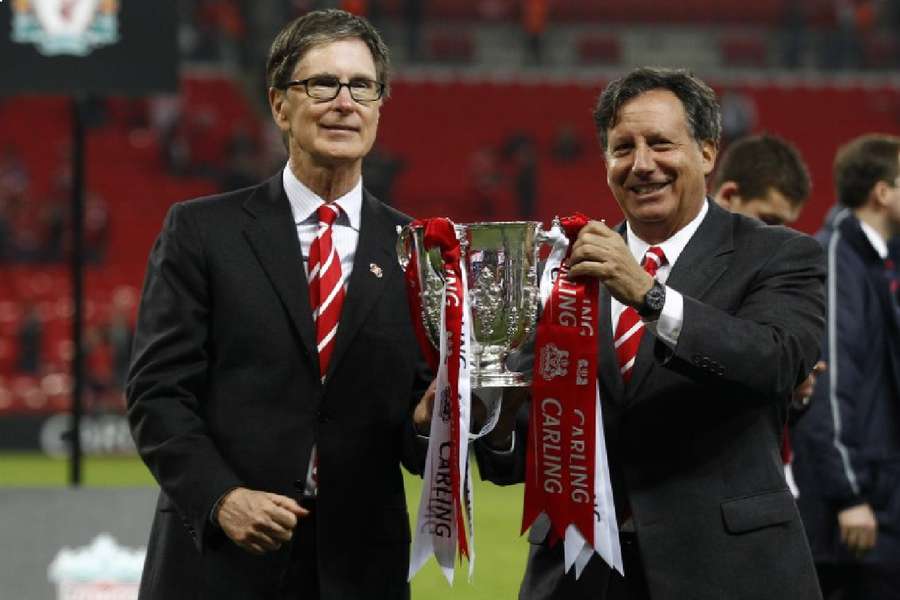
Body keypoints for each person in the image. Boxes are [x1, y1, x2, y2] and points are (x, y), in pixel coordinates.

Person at [475, 67, 826, 599]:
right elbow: (530, 445)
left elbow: (775, 360)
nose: (642, 165)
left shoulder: (779, 254)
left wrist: (648, 294)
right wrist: (493, 415)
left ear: (707, 153)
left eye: (661, 143)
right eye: (622, 148)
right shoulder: (561, 268)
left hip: (725, 570)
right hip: (580, 575)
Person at [126, 10, 431, 599]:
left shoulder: (417, 251)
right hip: (220, 561)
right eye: (322, 84)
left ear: (378, 107)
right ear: (279, 104)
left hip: (359, 570)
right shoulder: (200, 231)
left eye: (362, 86)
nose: (344, 101)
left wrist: (435, 419)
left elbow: (414, 441)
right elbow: (157, 393)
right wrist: (221, 499)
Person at [792, 134, 900, 600]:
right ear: (882, 191)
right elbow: (830, 384)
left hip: (879, 497)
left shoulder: (873, 260)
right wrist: (850, 494)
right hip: (858, 509)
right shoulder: (837, 256)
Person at [712, 133, 826, 493]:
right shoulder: (676, 268)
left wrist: (796, 387)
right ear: (729, 195)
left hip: (759, 492)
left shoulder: (779, 275)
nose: (781, 235)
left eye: (787, 223)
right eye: (769, 218)